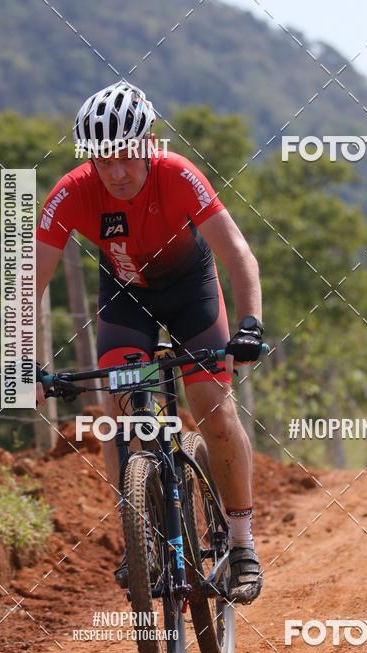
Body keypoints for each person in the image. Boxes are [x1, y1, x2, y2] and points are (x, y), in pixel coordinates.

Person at [35, 80, 264, 604]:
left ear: (148, 143)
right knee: (122, 417)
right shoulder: (71, 192)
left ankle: (242, 541)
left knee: (212, 407)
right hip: (127, 299)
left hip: (191, 296)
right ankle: (139, 543)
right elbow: (30, 285)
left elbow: (239, 255)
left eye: (125, 157)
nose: (115, 172)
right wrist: (23, 361)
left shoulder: (178, 175)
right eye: (102, 160)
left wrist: (250, 324)